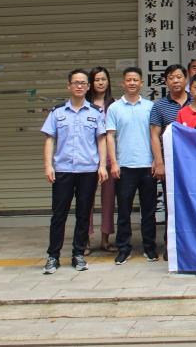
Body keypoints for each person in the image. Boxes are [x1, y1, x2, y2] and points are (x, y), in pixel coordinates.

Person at [41, 69, 107, 274]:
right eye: (75, 82)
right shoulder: (57, 112)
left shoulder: (96, 113)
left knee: (83, 214)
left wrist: (102, 165)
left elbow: (102, 140)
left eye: (83, 83)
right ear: (69, 86)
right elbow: (49, 139)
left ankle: (78, 254)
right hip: (63, 170)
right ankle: (53, 256)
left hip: (88, 170)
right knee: (59, 215)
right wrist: (48, 165)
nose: (79, 86)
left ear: (88, 87)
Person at [105, 67, 157, 265]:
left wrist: (156, 160)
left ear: (142, 83)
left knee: (149, 211)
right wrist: (114, 163)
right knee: (124, 211)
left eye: (136, 80)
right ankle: (124, 248)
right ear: (123, 83)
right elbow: (110, 136)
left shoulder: (151, 106)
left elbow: (155, 135)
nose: (132, 83)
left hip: (148, 166)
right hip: (124, 167)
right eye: (129, 80)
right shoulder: (115, 108)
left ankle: (149, 247)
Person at [150, 64, 190, 260]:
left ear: (186, 79)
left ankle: (192, 244)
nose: (176, 80)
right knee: (171, 205)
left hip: (193, 164)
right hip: (171, 164)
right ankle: (171, 246)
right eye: (171, 77)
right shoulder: (159, 106)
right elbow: (154, 135)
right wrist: (159, 163)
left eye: (179, 77)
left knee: (193, 204)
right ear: (166, 81)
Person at [85, 66, 116, 253]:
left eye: (104, 79)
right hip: (88, 158)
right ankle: (86, 239)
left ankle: (105, 238)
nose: (101, 83)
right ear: (91, 83)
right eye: (97, 79)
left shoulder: (114, 104)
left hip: (110, 159)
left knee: (109, 200)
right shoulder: (85, 104)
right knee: (86, 200)